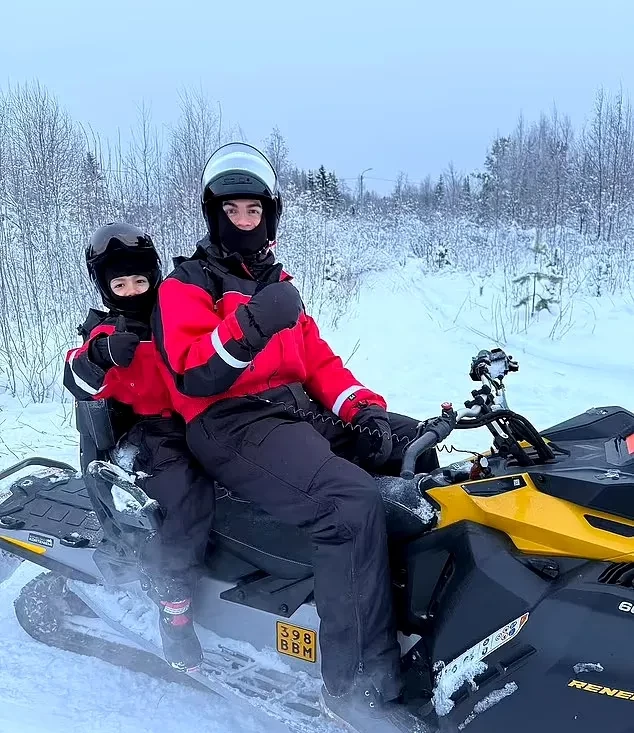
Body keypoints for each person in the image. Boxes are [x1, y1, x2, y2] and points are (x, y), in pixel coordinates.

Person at [151, 143, 441, 733]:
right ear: (212, 215)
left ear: (270, 215)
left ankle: (420, 615)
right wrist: (251, 324)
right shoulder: (186, 285)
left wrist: (365, 410)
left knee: (416, 446)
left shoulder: (277, 282)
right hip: (229, 421)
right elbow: (193, 372)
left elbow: (320, 364)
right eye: (231, 211)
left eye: (253, 210)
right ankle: (355, 686)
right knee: (348, 504)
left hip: (293, 412)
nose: (243, 221)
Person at [63, 222, 215, 674]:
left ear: (154, 278)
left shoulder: (174, 314)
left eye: (139, 281)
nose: (131, 292)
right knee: (187, 490)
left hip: (201, 417)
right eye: (119, 285)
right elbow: (77, 377)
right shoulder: (106, 332)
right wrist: (99, 356)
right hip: (149, 431)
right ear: (105, 288)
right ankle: (174, 600)